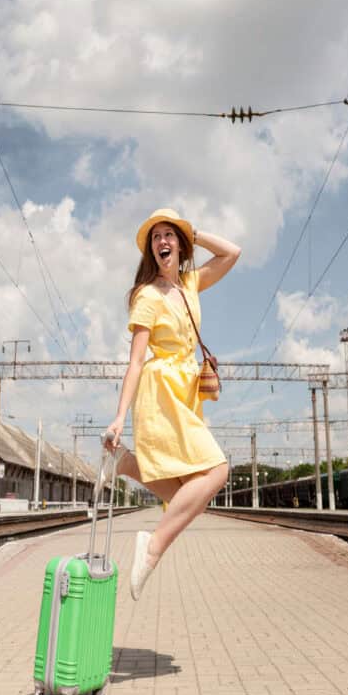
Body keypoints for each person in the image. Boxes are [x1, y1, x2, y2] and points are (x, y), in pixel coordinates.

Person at [103, 208, 241, 600]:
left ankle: (126, 464)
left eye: (169, 235)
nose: (162, 242)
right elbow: (134, 362)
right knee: (216, 471)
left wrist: (192, 231)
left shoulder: (191, 284)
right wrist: (118, 417)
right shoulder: (147, 295)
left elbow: (232, 253)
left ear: (180, 244)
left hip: (187, 390)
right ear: (150, 250)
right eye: (156, 237)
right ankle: (153, 546)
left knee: (184, 493)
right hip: (161, 389)